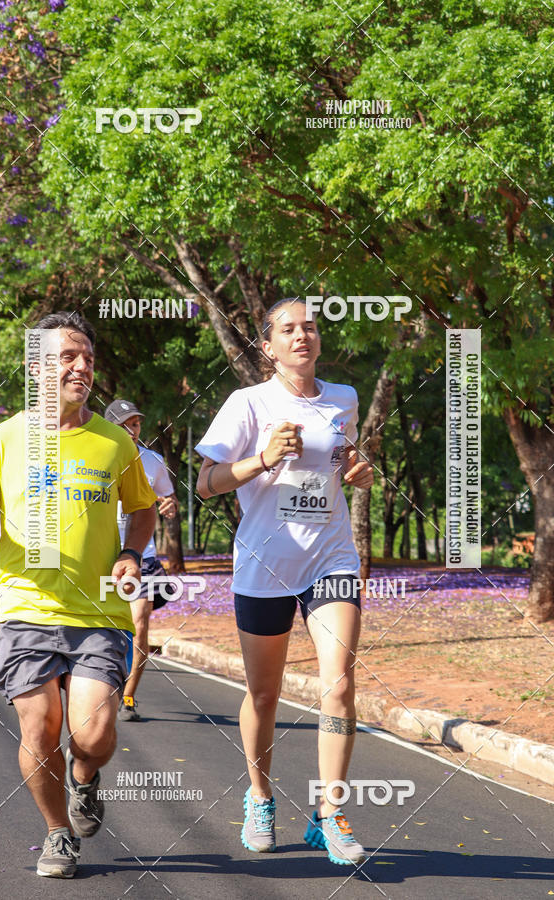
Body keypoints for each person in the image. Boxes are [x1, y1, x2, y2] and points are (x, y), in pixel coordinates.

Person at [0, 311, 157, 879]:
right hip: (26, 607)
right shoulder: (5, 438)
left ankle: (85, 779)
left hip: (98, 611)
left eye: (87, 358)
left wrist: (129, 554)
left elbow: (141, 509)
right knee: (40, 729)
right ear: (36, 367)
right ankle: (57, 833)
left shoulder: (114, 442)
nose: (81, 367)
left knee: (92, 733)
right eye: (67, 356)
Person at [195, 298, 374, 866]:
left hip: (331, 558)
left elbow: (339, 462)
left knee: (339, 684)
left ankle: (330, 812)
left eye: (311, 327)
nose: (303, 336)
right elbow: (206, 483)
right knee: (264, 694)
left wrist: (356, 468)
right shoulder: (246, 403)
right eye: (289, 329)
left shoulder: (342, 398)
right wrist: (262, 459)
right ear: (267, 347)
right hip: (265, 564)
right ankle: (260, 795)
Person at [104, 398, 179, 721]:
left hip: (142, 556)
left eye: (135, 424)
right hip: (103, 556)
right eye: (124, 425)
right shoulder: (97, 458)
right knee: (106, 631)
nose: (132, 430)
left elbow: (169, 497)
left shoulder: (154, 462)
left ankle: (129, 697)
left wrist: (170, 506)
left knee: (139, 623)